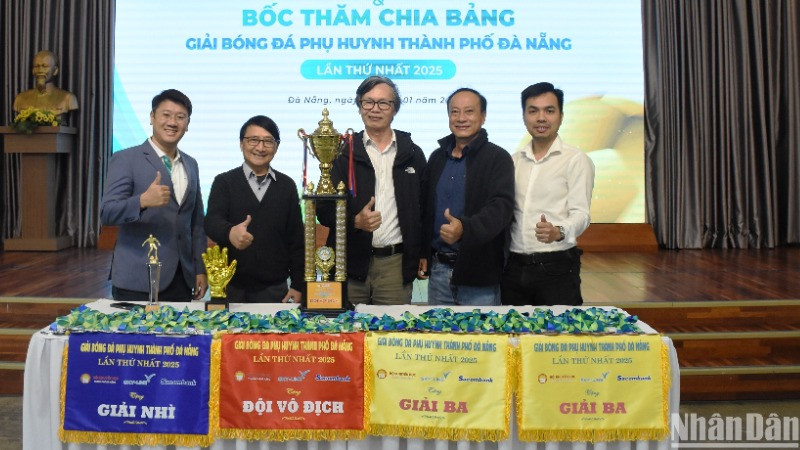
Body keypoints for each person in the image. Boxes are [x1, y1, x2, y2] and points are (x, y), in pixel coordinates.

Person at [317, 76, 426, 305]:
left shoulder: (413, 154)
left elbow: (424, 209)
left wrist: (424, 253)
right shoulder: (341, 153)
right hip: (348, 263)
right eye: (368, 102)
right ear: (359, 107)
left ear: (394, 109)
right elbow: (324, 209)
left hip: (395, 266)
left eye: (383, 103)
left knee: (392, 328)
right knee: (346, 327)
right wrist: (354, 221)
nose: (375, 109)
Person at [100, 89, 207, 301]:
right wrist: (142, 201)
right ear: (152, 117)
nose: (172, 122)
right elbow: (107, 213)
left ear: (187, 124)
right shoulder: (126, 159)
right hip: (137, 278)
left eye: (180, 117)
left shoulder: (191, 164)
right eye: (166, 115)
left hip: (181, 279)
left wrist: (199, 269)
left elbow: (196, 224)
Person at [502, 82, 595, 306]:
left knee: (558, 329)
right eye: (533, 111)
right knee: (514, 329)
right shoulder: (513, 161)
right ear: (524, 116)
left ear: (561, 116)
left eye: (549, 111)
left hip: (556, 269)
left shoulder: (576, 160)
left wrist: (559, 231)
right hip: (513, 268)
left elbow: (582, 214)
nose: (541, 118)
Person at [419, 88, 514, 306]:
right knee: (438, 330)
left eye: (469, 111)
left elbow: (501, 208)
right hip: (439, 272)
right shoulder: (437, 158)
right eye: (455, 112)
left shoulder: (498, 158)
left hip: (480, 277)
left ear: (483, 116)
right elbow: (424, 210)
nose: (461, 118)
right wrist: (423, 252)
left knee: (483, 331)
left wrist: (465, 229)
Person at [204, 115, 304, 303]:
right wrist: (230, 232)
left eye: (268, 141)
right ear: (241, 144)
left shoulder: (287, 186)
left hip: (275, 289)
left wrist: (298, 284)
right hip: (230, 287)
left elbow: (296, 239)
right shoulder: (224, 182)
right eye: (253, 140)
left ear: (276, 146)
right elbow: (211, 222)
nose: (260, 147)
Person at [13, 50, 78, 115]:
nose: (40, 70)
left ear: (55, 70)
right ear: (33, 70)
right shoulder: (20, 99)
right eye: (36, 66)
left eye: (45, 66)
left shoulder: (68, 99)